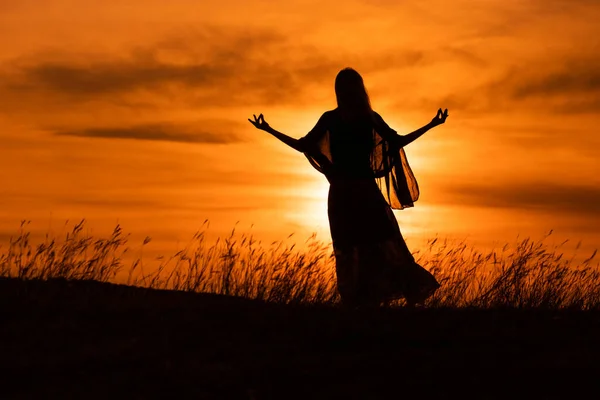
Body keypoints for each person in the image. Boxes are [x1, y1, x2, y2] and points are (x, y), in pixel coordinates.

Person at [249, 67, 448, 307]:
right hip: (355, 193)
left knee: (366, 246)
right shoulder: (352, 118)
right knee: (364, 246)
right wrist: (269, 129)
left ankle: (364, 300)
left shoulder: (355, 118)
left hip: (352, 193)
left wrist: (432, 124)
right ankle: (363, 301)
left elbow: (305, 146)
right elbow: (306, 145)